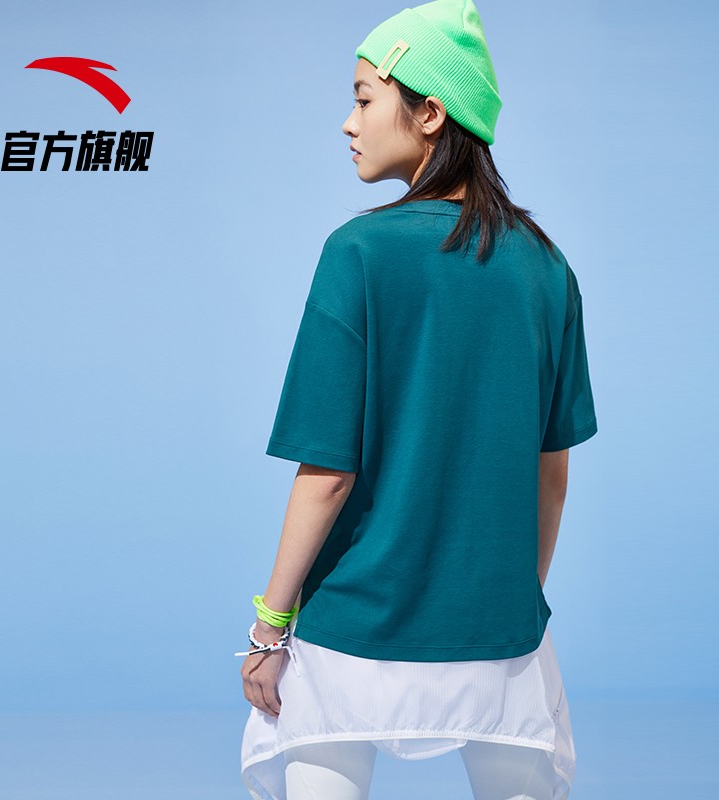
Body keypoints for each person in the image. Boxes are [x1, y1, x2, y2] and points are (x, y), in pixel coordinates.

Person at [237, 0, 599, 798]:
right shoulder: (548, 269)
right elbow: (552, 476)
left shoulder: (358, 254)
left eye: (365, 98)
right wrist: (510, 598)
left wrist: (269, 627)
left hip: (352, 630)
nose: (349, 122)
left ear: (430, 112)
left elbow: (327, 474)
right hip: (497, 637)